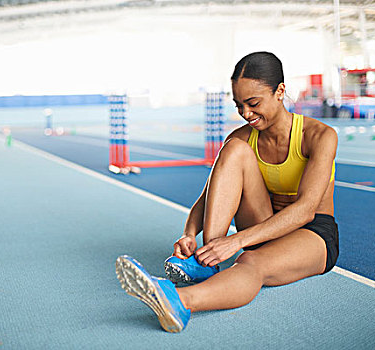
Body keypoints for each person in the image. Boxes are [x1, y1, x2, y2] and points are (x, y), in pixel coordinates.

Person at [115, 51, 339, 333]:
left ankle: (179, 300)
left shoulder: (320, 136)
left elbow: (305, 210)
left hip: (311, 232)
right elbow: (209, 193)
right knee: (233, 149)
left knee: (250, 261)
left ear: (280, 91)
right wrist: (189, 234)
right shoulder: (242, 136)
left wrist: (235, 243)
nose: (246, 114)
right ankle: (208, 260)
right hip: (264, 222)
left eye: (254, 103)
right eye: (239, 105)